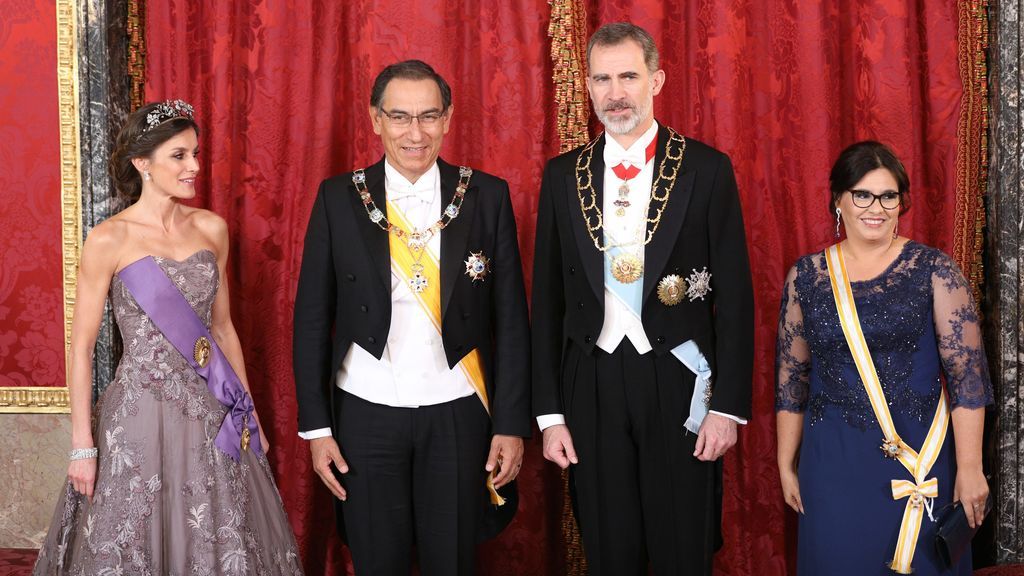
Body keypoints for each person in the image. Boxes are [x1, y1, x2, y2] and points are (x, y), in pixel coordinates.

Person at [33, 100, 303, 575]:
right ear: (143, 162)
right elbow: (82, 348)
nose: (194, 165)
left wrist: (248, 411)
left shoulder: (211, 228)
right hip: (137, 416)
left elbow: (222, 329)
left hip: (209, 414)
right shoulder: (108, 239)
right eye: (179, 156)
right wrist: (81, 445)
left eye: (195, 153)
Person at [531, 22, 754, 575]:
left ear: (656, 80)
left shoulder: (706, 168)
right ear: (587, 85)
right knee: (610, 550)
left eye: (628, 76)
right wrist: (549, 414)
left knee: (683, 549)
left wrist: (726, 408)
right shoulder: (561, 176)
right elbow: (548, 303)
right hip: (591, 379)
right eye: (603, 79)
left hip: (679, 378)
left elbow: (736, 299)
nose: (616, 93)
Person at [292, 60, 531, 575]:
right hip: (366, 410)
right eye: (399, 116)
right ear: (375, 119)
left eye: (428, 116)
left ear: (448, 118)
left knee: (453, 561)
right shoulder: (339, 197)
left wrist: (511, 424)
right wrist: (317, 428)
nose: (415, 133)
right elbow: (311, 319)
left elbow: (511, 320)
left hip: (458, 409)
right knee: (378, 561)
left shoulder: (486, 195)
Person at [775, 140, 993, 574]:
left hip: (918, 455)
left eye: (888, 196)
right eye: (862, 195)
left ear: (900, 202)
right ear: (838, 200)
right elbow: (791, 379)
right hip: (832, 461)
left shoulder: (935, 270)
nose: (876, 208)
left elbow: (968, 380)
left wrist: (971, 467)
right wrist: (785, 461)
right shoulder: (806, 277)